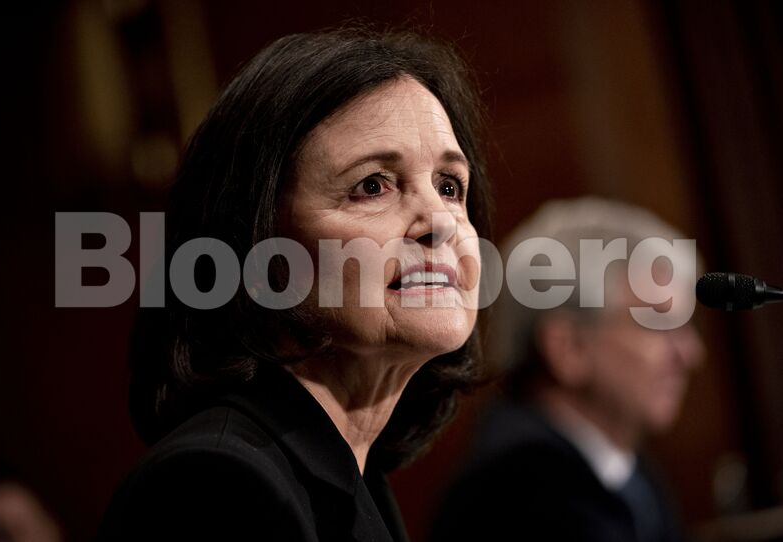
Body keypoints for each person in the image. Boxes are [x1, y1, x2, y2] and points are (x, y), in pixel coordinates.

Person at [98, 26, 492, 542]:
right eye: (372, 185)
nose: (440, 221)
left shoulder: (354, 478)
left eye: (449, 186)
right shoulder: (215, 487)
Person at [429, 197, 704, 542]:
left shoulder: (630, 474)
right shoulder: (519, 498)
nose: (691, 354)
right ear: (568, 348)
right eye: (661, 322)